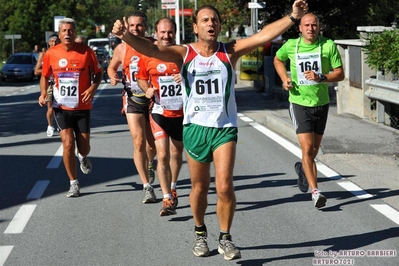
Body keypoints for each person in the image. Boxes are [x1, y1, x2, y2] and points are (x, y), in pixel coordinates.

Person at [112, 0, 308, 260]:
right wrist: (125, 36)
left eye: (214, 20)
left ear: (219, 25)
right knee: (199, 188)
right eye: (205, 20)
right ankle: (200, 232)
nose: (210, 23)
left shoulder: (229, 51)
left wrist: (293, 17)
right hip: (195, 128)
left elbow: (263, 35)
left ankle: (226, 237)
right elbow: (152, 48)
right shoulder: (184, 54)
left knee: (225, 187)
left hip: (224, 129)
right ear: (195, 27)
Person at [273, 13, 344, 208]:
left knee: (313, 151)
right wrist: (284, 78)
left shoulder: (328, 45)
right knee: (306, 148)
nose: (310, 28)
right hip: (298, 102)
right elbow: (278, 60)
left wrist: (321, 77)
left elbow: (340, 74)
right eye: (307, 25)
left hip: (321, 103)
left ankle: (302, 169)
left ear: (319, 27)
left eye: (314, 25)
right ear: (300, 28)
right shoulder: (292, 46)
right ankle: (315, 192)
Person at [38, 18, 103, 197]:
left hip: (82, 106)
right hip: (61, 106)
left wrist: (92, 88)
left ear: (75, 33)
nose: (68, 33)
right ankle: (73, 183)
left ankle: (82, 156)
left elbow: (98, 73)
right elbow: (44, 76)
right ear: (59, 34)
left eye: (71, 30)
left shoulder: (86, 52)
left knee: (83, 147)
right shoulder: (51, 53)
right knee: (67, 144)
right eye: (64, 30)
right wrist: (43, 93)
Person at [107, 11, 157, 204]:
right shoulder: (122, 48)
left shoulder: (153, 45)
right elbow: (112, 67)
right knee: (138, 142)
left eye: (140, 26)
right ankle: (147, 187)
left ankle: (150, 163)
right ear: (128, 27)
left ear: (146, 27)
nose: (136, 29)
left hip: (153, 99)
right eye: (133, 26)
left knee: (151, 145)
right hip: (132, 98)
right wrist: (112, 76)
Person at [136, 17, 183, 216]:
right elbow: (141, 79)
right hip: (159, 111)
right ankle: (166, 198)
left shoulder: (183, 54)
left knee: (176, 153)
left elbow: (198, 74)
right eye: (162, 32)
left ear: (175, 32)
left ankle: (173, 186)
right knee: (162, 154)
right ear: (156, 33)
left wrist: (186, 77)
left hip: (181, 112)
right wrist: (147, 89)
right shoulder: (148, 55)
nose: (166, 36)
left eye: (170, 32)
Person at [34, 33, 60, 137]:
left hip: (59, 83)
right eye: (52, 41)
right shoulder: (44, 54)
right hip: (48, 83)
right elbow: (36, 71)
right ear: (48, 43)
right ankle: (50, 125)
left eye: (56, 41)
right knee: (50, 108)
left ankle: (62, 124)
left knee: (62, 106)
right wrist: (48, 70)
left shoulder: (62, 53)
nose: (54, 43)